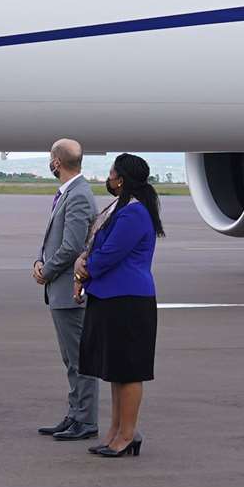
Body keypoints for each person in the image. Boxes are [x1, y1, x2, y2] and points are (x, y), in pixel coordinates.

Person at [74, 153, 162, 458]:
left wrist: (84, 270)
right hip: (110, 297)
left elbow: (111, 252)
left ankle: (127, 434)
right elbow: (98, 246)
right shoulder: (120, 208)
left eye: (111, 174)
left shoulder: (133, 213)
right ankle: (115, 432)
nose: (107, 179)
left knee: (129, 370)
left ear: (121, 179)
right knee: (115, 371)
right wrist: (84, 263)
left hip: (128, 300)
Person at [34, 139, 98, 441]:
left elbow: (72, 246)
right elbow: (56, 239)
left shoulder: (79, 195)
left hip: (69, 292)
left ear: (57, 162)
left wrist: (46, 271)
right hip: (59, 291)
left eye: (51, 158)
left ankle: (85, 420)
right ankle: (75, 415)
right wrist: (39, 260)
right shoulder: (69, 193)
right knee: (71, 359)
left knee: (79, 359)